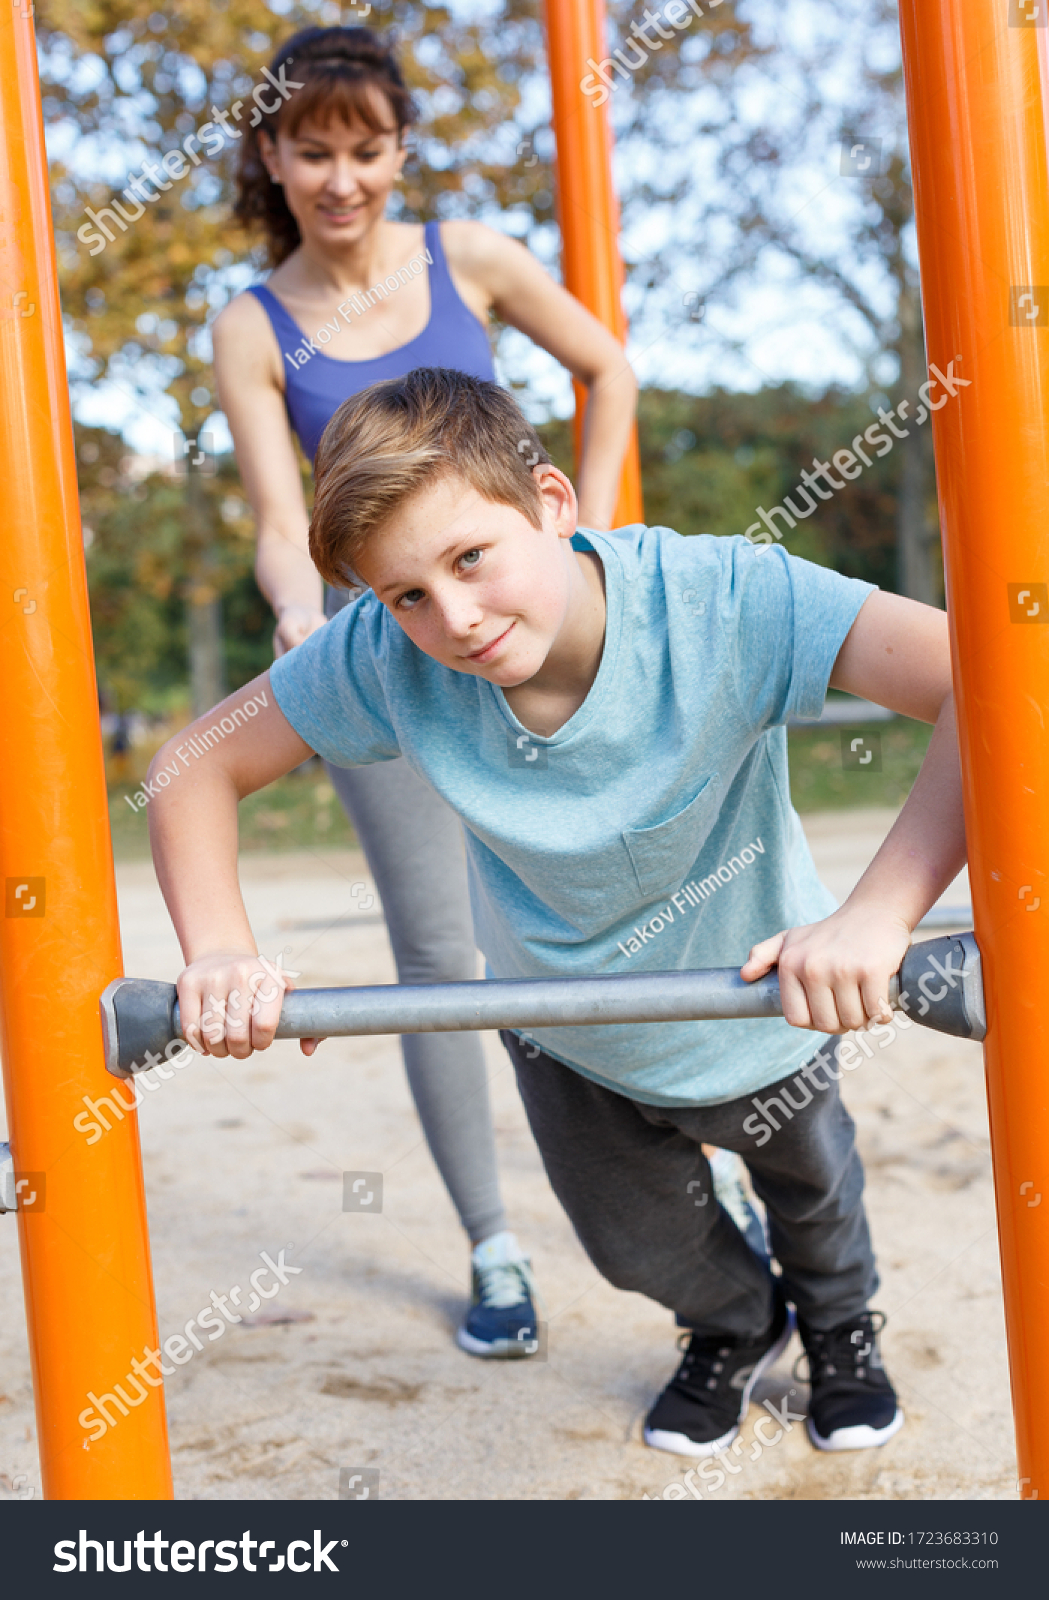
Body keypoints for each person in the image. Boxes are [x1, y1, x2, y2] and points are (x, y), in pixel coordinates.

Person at [146, 369, 965, 1458]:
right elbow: (188, 771)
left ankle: (840, 1328)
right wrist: (218, 953)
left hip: (759, 997)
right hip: (566, 1022)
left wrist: (875, 913)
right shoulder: (388, 657)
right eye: (406, 595)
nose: (456, 618)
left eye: (469, 557)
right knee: (634, 1242)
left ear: (550, 502)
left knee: (811, 1197)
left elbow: (988, 679)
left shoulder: (722, 601)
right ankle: (731, 1321)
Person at [210, 24, 638, 1357]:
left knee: (613, 899)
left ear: (400, 148)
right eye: (313, 149)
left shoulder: (477, 260)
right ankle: (494, 1247)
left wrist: (591, 540)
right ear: (272, 155)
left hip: (533, 615)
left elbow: (607, 367)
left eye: (367, 147)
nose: (342, 177)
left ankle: (701, 1153)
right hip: (383, 643)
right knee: (439, 952)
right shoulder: (252, 320)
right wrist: (298, 612)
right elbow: (283, 518)